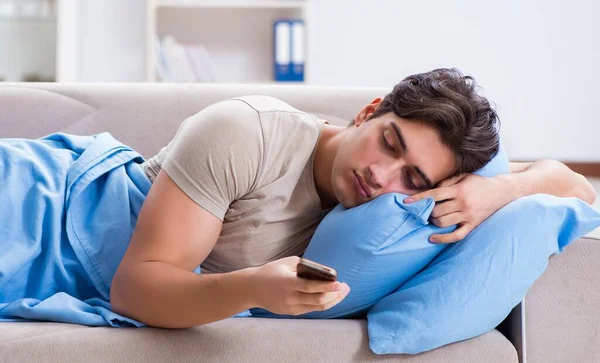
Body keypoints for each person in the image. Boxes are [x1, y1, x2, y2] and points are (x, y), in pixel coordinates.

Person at [109, 68, 596, 329]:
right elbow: (134, 290)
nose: (382, 178)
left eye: (412, 178)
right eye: (389, 143)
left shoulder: (406, 203)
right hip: (54, 214)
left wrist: (499, 190)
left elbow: (577, 189)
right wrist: (252, 288)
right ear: (367, 113)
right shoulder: (245, 133)